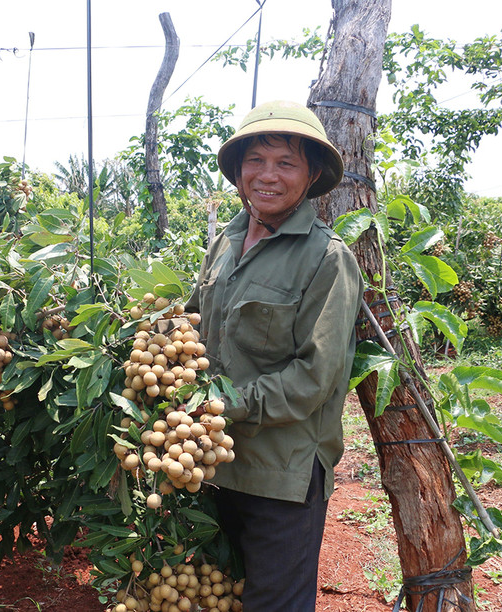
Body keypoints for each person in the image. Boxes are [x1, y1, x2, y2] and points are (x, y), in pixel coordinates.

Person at [185, 100, 363, 611]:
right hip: (210, 463)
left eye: (285, 163)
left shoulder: (327, 259)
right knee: (215, 595)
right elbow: (195, 322)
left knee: (272, 603)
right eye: (255, 161)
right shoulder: (226, 241)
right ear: (238, 171)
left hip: (279, 474)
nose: (268, 176)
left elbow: (315, 377)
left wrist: (219, 405)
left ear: (310, 176)